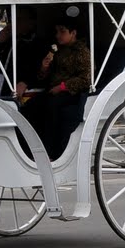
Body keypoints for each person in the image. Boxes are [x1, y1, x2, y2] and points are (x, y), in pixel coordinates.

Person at [22, 9, 91, 160]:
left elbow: (86, 79)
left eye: (62, 32)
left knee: (50, 109)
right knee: (29, 107)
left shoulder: (82, 52)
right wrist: (44, 67)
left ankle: (51, 151)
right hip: (52, 91)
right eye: (57, 32)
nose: (58, 35)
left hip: (72, 93)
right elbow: (46, 76)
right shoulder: (58, 51)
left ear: (73, 33)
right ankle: (29, 148)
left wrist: (62, 87)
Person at [0, 5, 45, 99]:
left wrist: (26, 82)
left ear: (31, 23)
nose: (14, 23)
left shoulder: (38, 44)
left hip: (12, 88)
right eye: (13, 19)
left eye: (19, 20)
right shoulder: (5, 39)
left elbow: (39, 70)